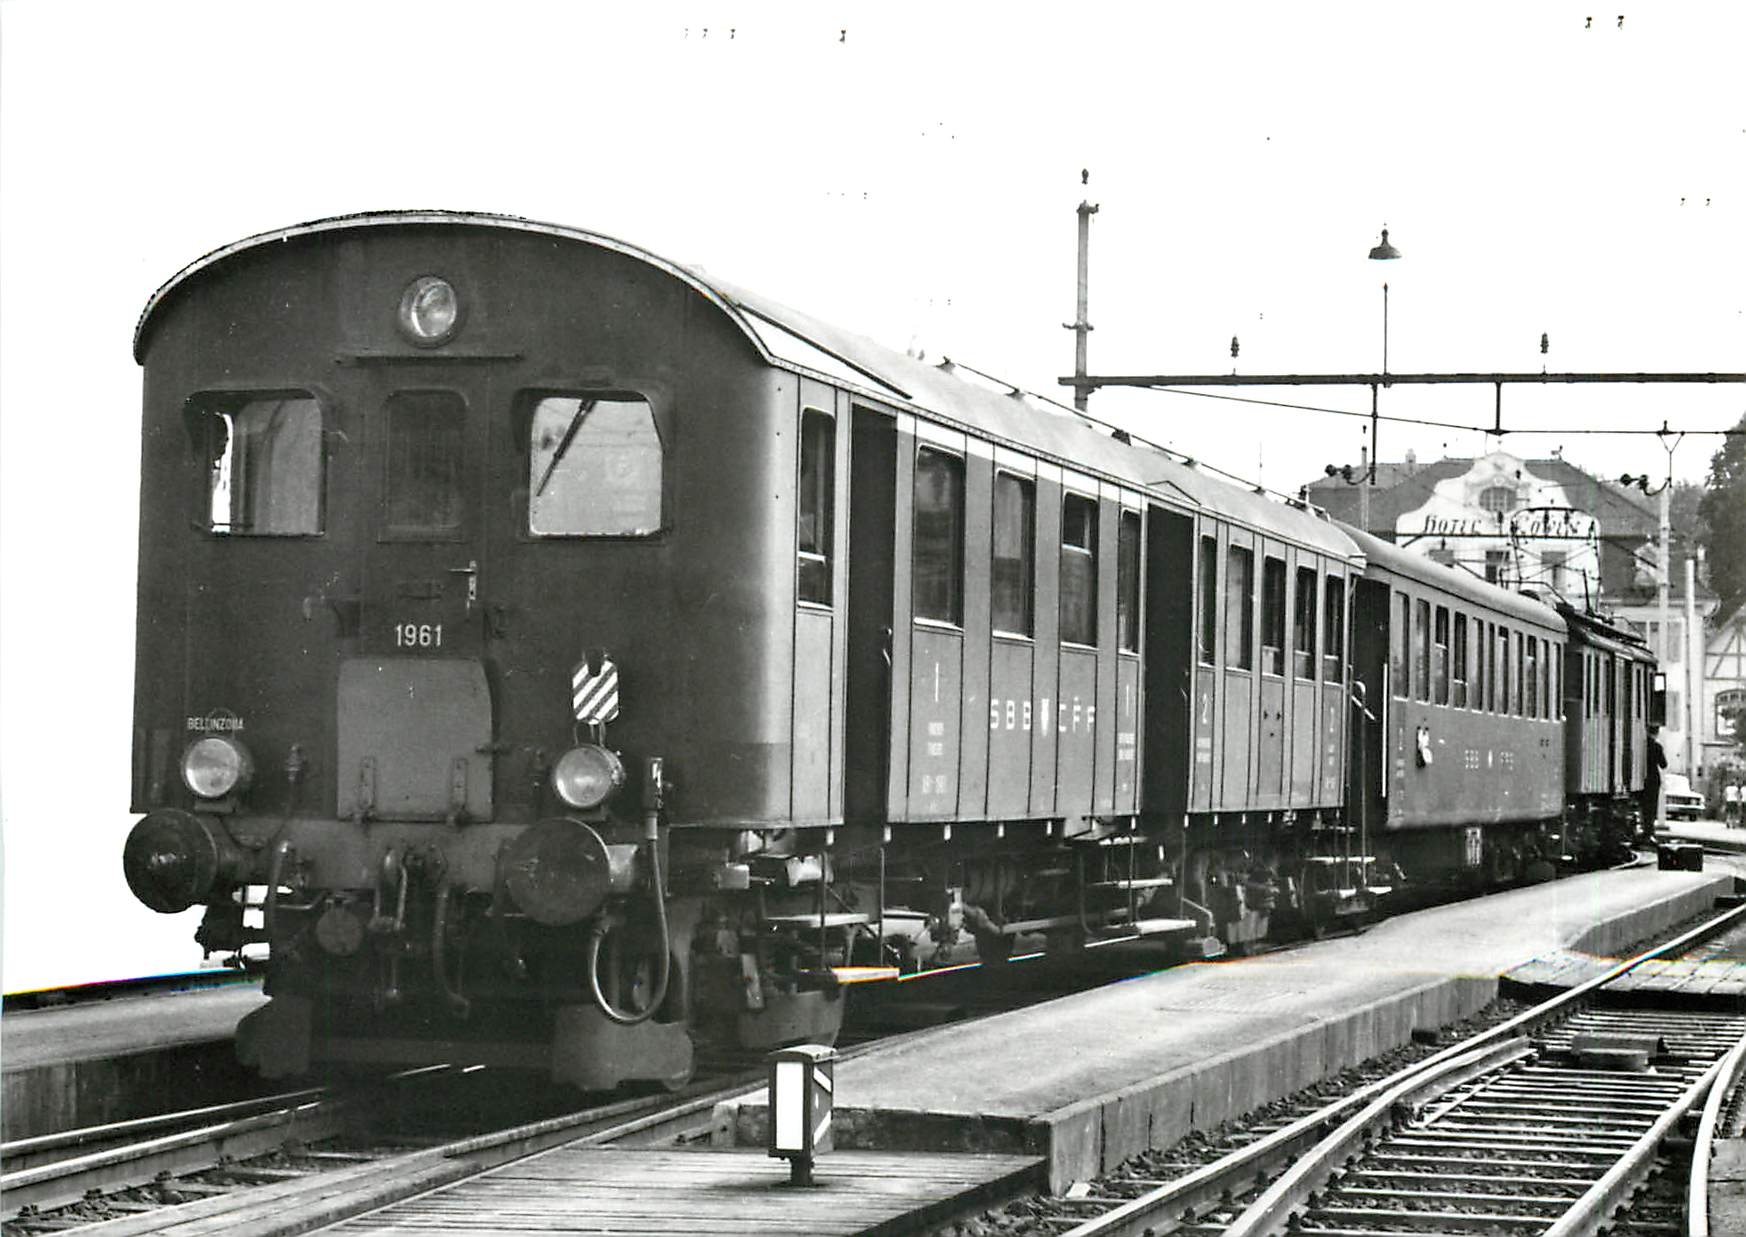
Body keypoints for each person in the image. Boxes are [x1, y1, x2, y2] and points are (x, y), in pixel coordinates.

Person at [1642, 726, 1666, 839]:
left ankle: (1644, 828)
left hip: (1641, 777)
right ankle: (1649, 830)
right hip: (1653, 779)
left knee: (1643, 805)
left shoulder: (1641, 745)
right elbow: (1663, 764)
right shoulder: (1657, 747)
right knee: (1651, 806)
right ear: (1657, 733)